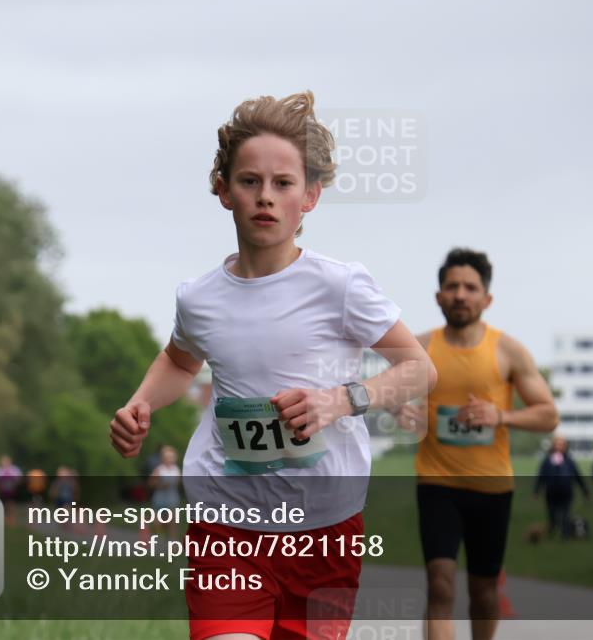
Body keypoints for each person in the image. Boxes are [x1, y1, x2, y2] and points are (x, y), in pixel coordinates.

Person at [109, 90, 436, 640]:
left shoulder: (341, 286)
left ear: (309, 196)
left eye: (283, 184)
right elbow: (179, 360)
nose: (266, 197)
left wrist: (340, 400)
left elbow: (420, 369)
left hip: (324, 528)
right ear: (223, 191)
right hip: (226, 522)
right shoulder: (199, 298)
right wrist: (140, 403)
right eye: (249, 181)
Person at [395, 247, 558, 640]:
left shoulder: (508, 350)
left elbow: (548, 414)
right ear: (438, 297)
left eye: (470, 287)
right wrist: (401, 412)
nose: (460, 295)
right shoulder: (418, 348)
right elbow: (390, 396)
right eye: (452, 287)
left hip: (492, 487)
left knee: (484, 592)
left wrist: (500, 415)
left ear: (487, 298)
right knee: (440, 583)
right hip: (437, 484)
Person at [534, 436, 589, 539]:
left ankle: (566, 534)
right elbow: (541, 475)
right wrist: (537, 490)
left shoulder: (569, 461)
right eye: (558, 444)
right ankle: (552, 530)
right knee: (552, 516)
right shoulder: (547, 460)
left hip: (566, 492)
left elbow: (577, 476)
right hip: (551, 493)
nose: (560, 446)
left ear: (566, 446)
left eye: (562, 444)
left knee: (566, 515)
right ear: (554, 446)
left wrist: (585, 491)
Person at [148, 445, 182, 539]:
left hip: (172, 498)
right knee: (157, 522)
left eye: (172, 457)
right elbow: (151, 483)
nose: (169, 459)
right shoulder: (159, 469)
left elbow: (178, 483)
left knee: (173, 522)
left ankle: (174, 543)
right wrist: (160, 485)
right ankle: (160, 533)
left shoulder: (176, 470)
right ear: (163, 458)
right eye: (167, 457)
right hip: (159, 498)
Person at [0, 455, 22, 526]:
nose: (4, 463)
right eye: (3, 461)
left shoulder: (14, 470)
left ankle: (11, 519)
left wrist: (14, 486)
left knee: (11, 504)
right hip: (2, 491)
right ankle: (4, 520)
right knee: (3, 505)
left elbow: (19, 480)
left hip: (12, 491)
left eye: (6, 461)